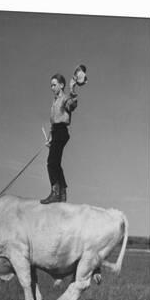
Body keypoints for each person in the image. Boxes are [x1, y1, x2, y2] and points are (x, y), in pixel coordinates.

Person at [40, 65, 87, 204]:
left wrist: (72, 89)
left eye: (54, 85)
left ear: (61, 85)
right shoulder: (54, 102)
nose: (52, 87)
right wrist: (49, 138)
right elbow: (53, 122)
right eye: (51, 85)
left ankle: (56, 193)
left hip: (61, 131)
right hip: (56, 132)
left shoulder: (65, 98)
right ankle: (63, 193)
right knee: (56, 163)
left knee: (51, 163)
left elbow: (72, 106)